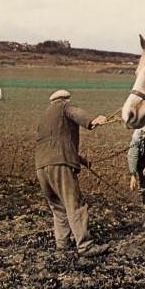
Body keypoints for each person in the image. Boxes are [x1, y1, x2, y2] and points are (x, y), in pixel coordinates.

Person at [35, 90, 111, 257]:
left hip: (41, 167)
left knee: (58, 206)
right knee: (74, 204)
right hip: (60, 164)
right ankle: (85, 246)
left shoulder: (44, 117)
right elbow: (75, 112)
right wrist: (93, 120)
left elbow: (54, 145)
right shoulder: (65, 106)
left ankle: (62, 244)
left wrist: (82, 161)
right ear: (65, 99)